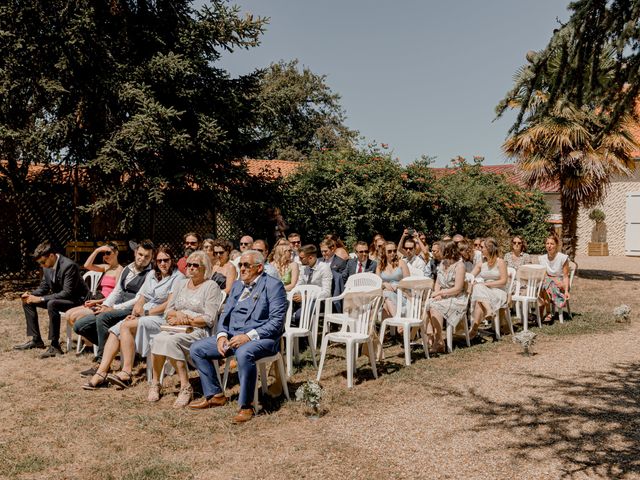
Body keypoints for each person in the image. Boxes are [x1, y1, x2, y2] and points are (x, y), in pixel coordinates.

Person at [188, 249, 288, 424]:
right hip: (233, 336)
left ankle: (246, 405)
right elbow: (225, 314)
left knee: (243, 353)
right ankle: (215, 395)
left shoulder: (273, 285)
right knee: (197, 348)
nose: (241, 268)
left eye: (246, 265)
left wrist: (248, 337)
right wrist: (221, 335)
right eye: (240, 264)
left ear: (259, 267)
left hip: (263, 338)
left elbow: (276, 322)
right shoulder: (237, 285)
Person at [82, 246, 183, 389]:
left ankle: (126, 373)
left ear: (172, 260)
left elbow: (169, 304)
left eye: (166, 260)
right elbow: (142, 297)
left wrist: (146, 313)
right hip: (144, 315)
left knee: (125, 326)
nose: (162, 263)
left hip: (162, 317)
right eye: (159, 260)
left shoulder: (178, 277)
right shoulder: (153, 274)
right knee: (113, 331)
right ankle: (101, 373)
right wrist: (135, 312)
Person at [147, 250, 224, 408]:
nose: (191, 268)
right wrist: (178, 314)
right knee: (158, 338)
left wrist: (187, 319)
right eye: (189, 265)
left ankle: (185, 386)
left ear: (205, 267)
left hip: (198, 330)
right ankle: (155, 383)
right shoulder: (180, 283)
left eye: (195, 265)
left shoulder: (211, 286)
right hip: (176, 326)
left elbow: (209, 319)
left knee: (171, 341)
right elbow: (168, 311)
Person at [73, 240, 154, 366]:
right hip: (117, 306)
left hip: (132, 309)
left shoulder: (150, 274)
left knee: (102, 318)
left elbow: (138, 299)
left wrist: (113, 308)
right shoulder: (128, 268)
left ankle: (101, 360)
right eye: (140, 254)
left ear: (151, 257)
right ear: (135, 253)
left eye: (147, 256)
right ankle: (114, 347)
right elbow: (117, 291)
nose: (142, 259)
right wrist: (106, 305)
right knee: (79, 325)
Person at [15, 241, 89, 358]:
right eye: (40, 263)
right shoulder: (47, 266)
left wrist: (40, 298)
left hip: (77, 301)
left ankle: (55, 346)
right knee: (28, 302)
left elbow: (67, 293)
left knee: (52, 304)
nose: (42, 265)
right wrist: (30, 295)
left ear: (51, 255)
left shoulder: (69, 266)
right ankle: (36, 340)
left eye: (43, 262)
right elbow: (44, 287)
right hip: (61, 299)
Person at [64, 242, 124, 331]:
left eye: (108, 253)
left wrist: (96, 301)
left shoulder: (120, 270)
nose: (105, 256)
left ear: (116, 253)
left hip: (105, 303)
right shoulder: (106, 267)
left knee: (73, 316)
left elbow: (117, 295)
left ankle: (89, 342)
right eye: (103, 254)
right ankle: (88, 340)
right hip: (97, 298)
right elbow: (87, 265)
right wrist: (97, 250)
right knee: (68, 314)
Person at [424, 240, 467, 353]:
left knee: (434, 306)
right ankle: (432, 337)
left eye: (441, 250)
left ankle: (438, 341)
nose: (438, 253)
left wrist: (440, 293)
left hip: (457, 298)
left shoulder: (459, 265)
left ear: (448, 251)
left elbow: (458, 288)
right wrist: (436, 293)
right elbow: (437, 283)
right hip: (444, 296)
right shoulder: (443, 263)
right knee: (428, 304)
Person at [469, 237, 508, 338]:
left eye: (482, 247)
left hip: (498, 291)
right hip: (484, 292)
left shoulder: (500, 262)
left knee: (479, 290)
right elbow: (470, 277)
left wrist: (485, 284)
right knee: (478, 292)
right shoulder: (481, 263)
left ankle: (474, 328)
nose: (480, 249)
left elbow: (504, 281)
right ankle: (488, 311)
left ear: (489, 248)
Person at [537, 234, 571, 322]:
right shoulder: (542, 258)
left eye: (552, 244)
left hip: (560, 282)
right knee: (544, 283)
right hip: (547, 282)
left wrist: (566, 291)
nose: (549, 246)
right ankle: (547, 312)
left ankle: (543, 313)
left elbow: (566, 276)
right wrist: (551, 279)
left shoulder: (562, 258)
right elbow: (542, 275)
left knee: (545, 284)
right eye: (547, 243)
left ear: (556, 245)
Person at [376, 241, 410, 318]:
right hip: (386, 296)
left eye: (394, 251)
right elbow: (377, 284)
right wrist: (384, 284)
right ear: (384, 252)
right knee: (386, 298)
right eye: (389, 251)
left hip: (401, 294)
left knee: (385, 303)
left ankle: (393, 324)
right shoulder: (380, 266)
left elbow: (408, 282)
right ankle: (397, 323)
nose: (392, 253)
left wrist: (397, 286)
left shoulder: (401, 263)